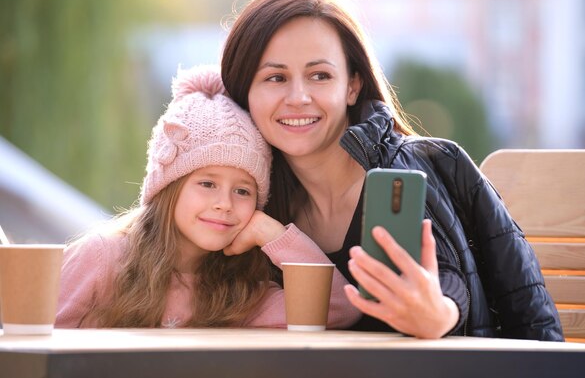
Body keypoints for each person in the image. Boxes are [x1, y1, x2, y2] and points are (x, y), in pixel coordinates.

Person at [220, 0, 564, 340]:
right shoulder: (245, 197)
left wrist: (440, 315)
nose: (299, 97)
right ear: (245, 91)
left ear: (352, 85)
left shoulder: (428, 166)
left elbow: (486, 298)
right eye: (276, 77)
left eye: (319, 75)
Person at [55, 65, 361, 329]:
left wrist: (274, 235)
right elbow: (29, 342)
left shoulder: (243, 293)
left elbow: (340, 309)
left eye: (243, 191)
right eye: (207, 184)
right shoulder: (102, 258)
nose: (224, 204)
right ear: (169, 186)